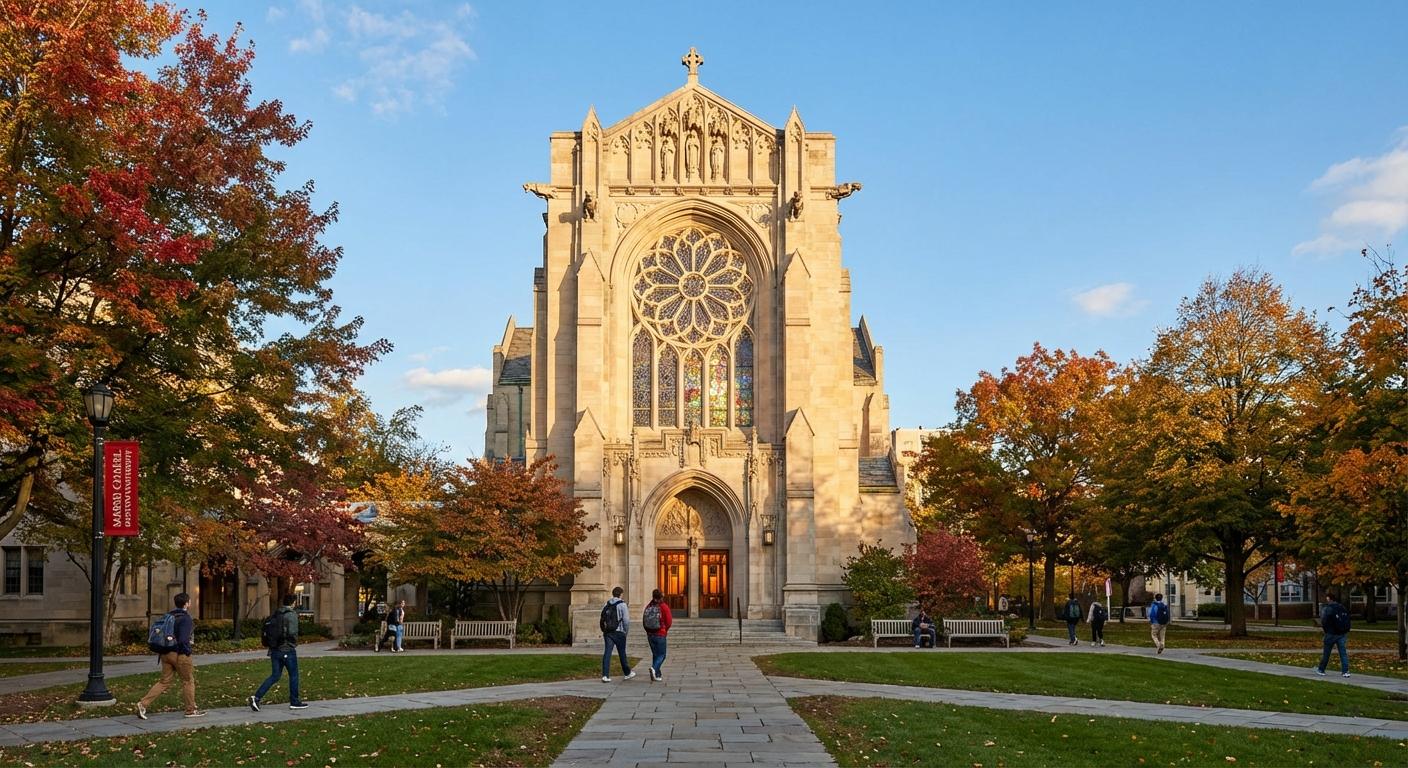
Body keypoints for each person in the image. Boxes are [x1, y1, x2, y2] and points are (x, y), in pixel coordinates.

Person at [137, 592, 204, 719]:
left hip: (165, 653)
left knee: (164, 682)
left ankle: (143, 704)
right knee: (188, 681)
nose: (190, 603)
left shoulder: (168, 616)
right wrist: (187, 652)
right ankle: (191, 710)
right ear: (186, 604)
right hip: (179, 654)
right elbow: (184, 639)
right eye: (189, 601)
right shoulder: (185, 618)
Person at [249, 594, 308, 711]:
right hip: (287, 650)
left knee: (275, 676)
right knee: (294, 675)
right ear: (293, 603)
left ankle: (256, 697)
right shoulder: (291, 615)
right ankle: (294, 701)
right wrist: (293, 644)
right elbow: (293, 632)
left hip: (274, 650)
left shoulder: (276, 613)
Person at [600, 586, 635, 682]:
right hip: (619, 632)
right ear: (620, 594)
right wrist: (625, 632)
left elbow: (603, 617)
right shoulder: (622, 605)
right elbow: (626, 621)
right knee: (622, 653)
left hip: (608, 632)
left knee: (607, 653)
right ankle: (627, 673)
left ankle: (605, 675)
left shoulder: (607, 604)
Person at [1315, 592, 1352, 678]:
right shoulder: (1342, 607)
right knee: (1343, 653)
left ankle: (1321, 669)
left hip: (1331, 634)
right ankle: (1345, 671)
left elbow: (1324, 621)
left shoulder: (1328, 608)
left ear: (1329, 599)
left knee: (1326, 653)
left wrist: (1326, 631)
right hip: (1342, 633)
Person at [643, 588, 673, 681]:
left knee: (655, 654)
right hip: (660, 633)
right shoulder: (663, 606)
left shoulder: (649, 606)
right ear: (662, 597)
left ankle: (657, 675)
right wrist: (664, 630)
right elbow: (669, 621)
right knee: (662, 655)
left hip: (650, 634)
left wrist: (648, 631)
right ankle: (654, 668)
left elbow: (644, 620)